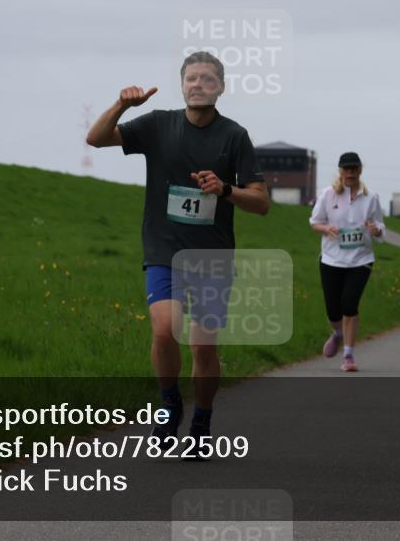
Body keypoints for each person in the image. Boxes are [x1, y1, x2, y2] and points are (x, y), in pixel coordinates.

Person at [85, 50, 269, 453]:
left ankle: (201, 422)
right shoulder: (158, 124)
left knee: (203, 346)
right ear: (182, 85)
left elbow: (261, 202)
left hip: (212, 256)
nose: (198, 84)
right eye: (191, 78)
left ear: (220, 88)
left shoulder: (234, 136)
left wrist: (225, 189)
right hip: (163, 249)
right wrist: (121, 105)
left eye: (207, 79)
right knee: (164, 329)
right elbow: (95, 139)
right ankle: (169, 404)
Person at [309, 152, 384, 372]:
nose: (350, 173)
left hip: (361, 259)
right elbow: (314, 222)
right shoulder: (328, 195)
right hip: (331, 259)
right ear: (340, 171)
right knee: (333, 310)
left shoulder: (371, 198)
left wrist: (376, 230)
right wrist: (326, 229)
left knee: (349, 304)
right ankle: (338, 333)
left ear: (360, 170)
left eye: (354, 169)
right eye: (346, 169)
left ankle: (348, 355)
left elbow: (380, 226)